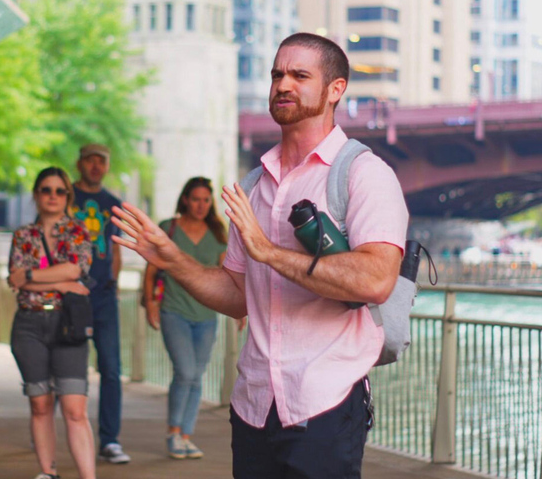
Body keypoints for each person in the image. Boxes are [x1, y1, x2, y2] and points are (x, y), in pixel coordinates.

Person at [111, 33, 408, 478]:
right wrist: (172, 259)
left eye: (299, 75)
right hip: (253, 405)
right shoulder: (254, 185)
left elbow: (376, 280)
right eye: (276, 74)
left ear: (335, 89)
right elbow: (237, 294)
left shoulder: (363, 174)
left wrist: (268, 252)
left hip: (325, 403)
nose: (282, 84)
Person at [7, 167, 96, 479]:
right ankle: (48, 472)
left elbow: (75, 270)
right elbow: (15, 280)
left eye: (60, 191)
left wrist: (32, 276)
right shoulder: (22, 235)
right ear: (36, 194)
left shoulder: (78, 232)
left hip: (67, 325)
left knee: (75, 408)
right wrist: (57, 283)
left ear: (67, 196)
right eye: (46, 190)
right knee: (40, 404)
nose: (53, 196)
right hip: (29, 326)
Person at [143, 177, 228, 459]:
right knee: (186, 373)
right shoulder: (170, 228)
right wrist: (151, 304)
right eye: (196, 199)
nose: (201, 205)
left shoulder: (217, 233)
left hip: (206, 316)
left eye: (206, 199)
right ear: (185, 200)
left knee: (196, 376)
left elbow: (227, 276)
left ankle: (186, 436)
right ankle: (173, 432)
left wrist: (237, 310)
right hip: (174, 311)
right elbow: (152, 270)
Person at [71, 144, 129, 464]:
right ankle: (52, 429)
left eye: (102, 161)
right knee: (66, 366)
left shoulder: (113, 204)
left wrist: (114, 284)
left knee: (110, 367)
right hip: (71, 292)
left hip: (104, 294)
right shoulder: (65, 196)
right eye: (90, 160)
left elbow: (116, 249)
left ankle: (110, 440)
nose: (96, 166)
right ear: (80, 164)